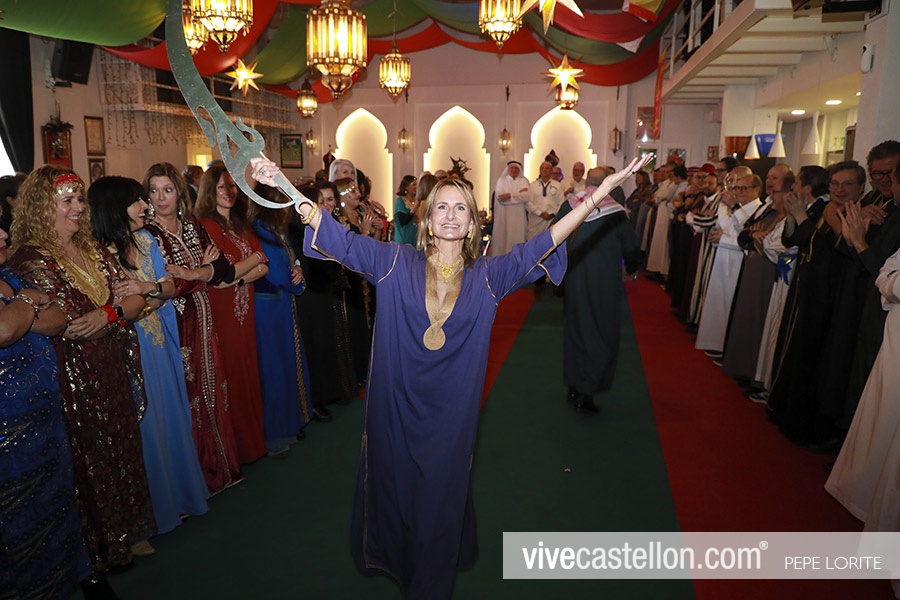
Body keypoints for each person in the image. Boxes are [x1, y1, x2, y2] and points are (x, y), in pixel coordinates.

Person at [249, 151, 653, 599]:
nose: (450, 215)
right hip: (395, 412)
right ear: (427, 218)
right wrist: (284, 186)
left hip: (451, 419)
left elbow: (543, 244)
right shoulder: (393, 262)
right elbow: (339, 240)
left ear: (473, 223)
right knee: (399, 496)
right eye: (441, 206)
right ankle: (407, 565)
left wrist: (596, 196)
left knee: (439, 503)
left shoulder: (489, 277)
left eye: (461, 207)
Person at [10, 166, 156, 582]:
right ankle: (94, 549)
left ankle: (122, 534)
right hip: (69, 373)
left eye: (80, 199)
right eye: (67, 201)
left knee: (120, 445)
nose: (78, 207)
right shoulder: (31, 258)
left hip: (110, 362)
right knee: (86, 459)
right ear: (43, 207)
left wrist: (108, 313)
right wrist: (113, 311)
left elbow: (134, 302)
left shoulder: (92, 248)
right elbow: (70, 321)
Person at [89, 175, 209, 535]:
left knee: (172, 416)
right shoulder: (98, 255)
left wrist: (147, 289)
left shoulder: (145, 241)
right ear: (115, 208)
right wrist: (151, 297)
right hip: (130, 349)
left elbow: (169, 287)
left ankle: (182, 496)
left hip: (160, 341)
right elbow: (118, 306)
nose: (146, 206)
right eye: (137, 200)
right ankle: (155, 510)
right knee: (146, 428)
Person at [0, 224, 92, 599]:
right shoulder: (20, 285)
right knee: (16, 526)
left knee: (54, 507)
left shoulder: (8, 274)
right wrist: (29, 301)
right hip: (7, 433)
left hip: (44, 421)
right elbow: (4, 331)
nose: (3, 233)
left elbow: (58, 319)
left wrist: (23, 307)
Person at [142, 162, 242, 494]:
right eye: (154, 191)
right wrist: (200, 273)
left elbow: (223, 267)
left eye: (167, 190)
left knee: (213, 389)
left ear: (179, 193)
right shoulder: (148, 235)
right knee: (189, 398)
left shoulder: (191, 226)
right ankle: (197, 479)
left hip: (204, 318)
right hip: (174, 323)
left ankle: (222, 468)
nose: (160, 198)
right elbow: (169, 285)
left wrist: (195, 273)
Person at [195, 165, 269, 464]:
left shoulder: (241, 225)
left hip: (243, 307)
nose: (228, 193)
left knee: (247, 371)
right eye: (221, 188)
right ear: (210, 192)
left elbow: (263, 267)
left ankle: (252, 445)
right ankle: (232, 450)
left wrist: (239, 276)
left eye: (232, 186)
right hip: (222, 311)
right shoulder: (207, 225)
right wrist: (250, 262)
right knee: (230, 373)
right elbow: (222, 275)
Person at [556, 167, 641, 413]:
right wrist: (632, 266)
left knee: (575, 328)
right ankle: (587, 390)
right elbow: (631, 246)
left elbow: (553, 236)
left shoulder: (570, 204)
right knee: (601, 331)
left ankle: (573, 384)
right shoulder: (615, 211)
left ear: (587, 182)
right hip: (604, 282)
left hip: (574, 277)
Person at [252, 186, 314, 455]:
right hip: (268, 310)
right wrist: (297, 282)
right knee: (274, 370)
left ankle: (290, 423)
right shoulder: (261, 231)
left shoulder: (276, 230)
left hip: (280, 306)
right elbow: (277, 273)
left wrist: (298, 267)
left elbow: (291, 259)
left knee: (287, 365)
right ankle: (276, 433)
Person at [491, 160, 530, 255]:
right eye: (512, 168)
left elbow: (527, 196)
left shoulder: (524, 181)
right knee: (502, 240)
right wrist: (518, 194)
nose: (514, 170)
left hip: (518, 217)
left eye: (516, 168)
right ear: (508, 169)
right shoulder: (501, 181)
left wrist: (509, 195)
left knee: (517, 237)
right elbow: (500, 198)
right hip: (503, 216)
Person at [393, 174, 419, 244]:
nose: (416, 187)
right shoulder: (400, 201)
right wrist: (414, 209)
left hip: (415, 237)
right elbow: (403, 221)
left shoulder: (416, 200)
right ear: (406, 186)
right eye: (414, 185)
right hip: (404, 237)